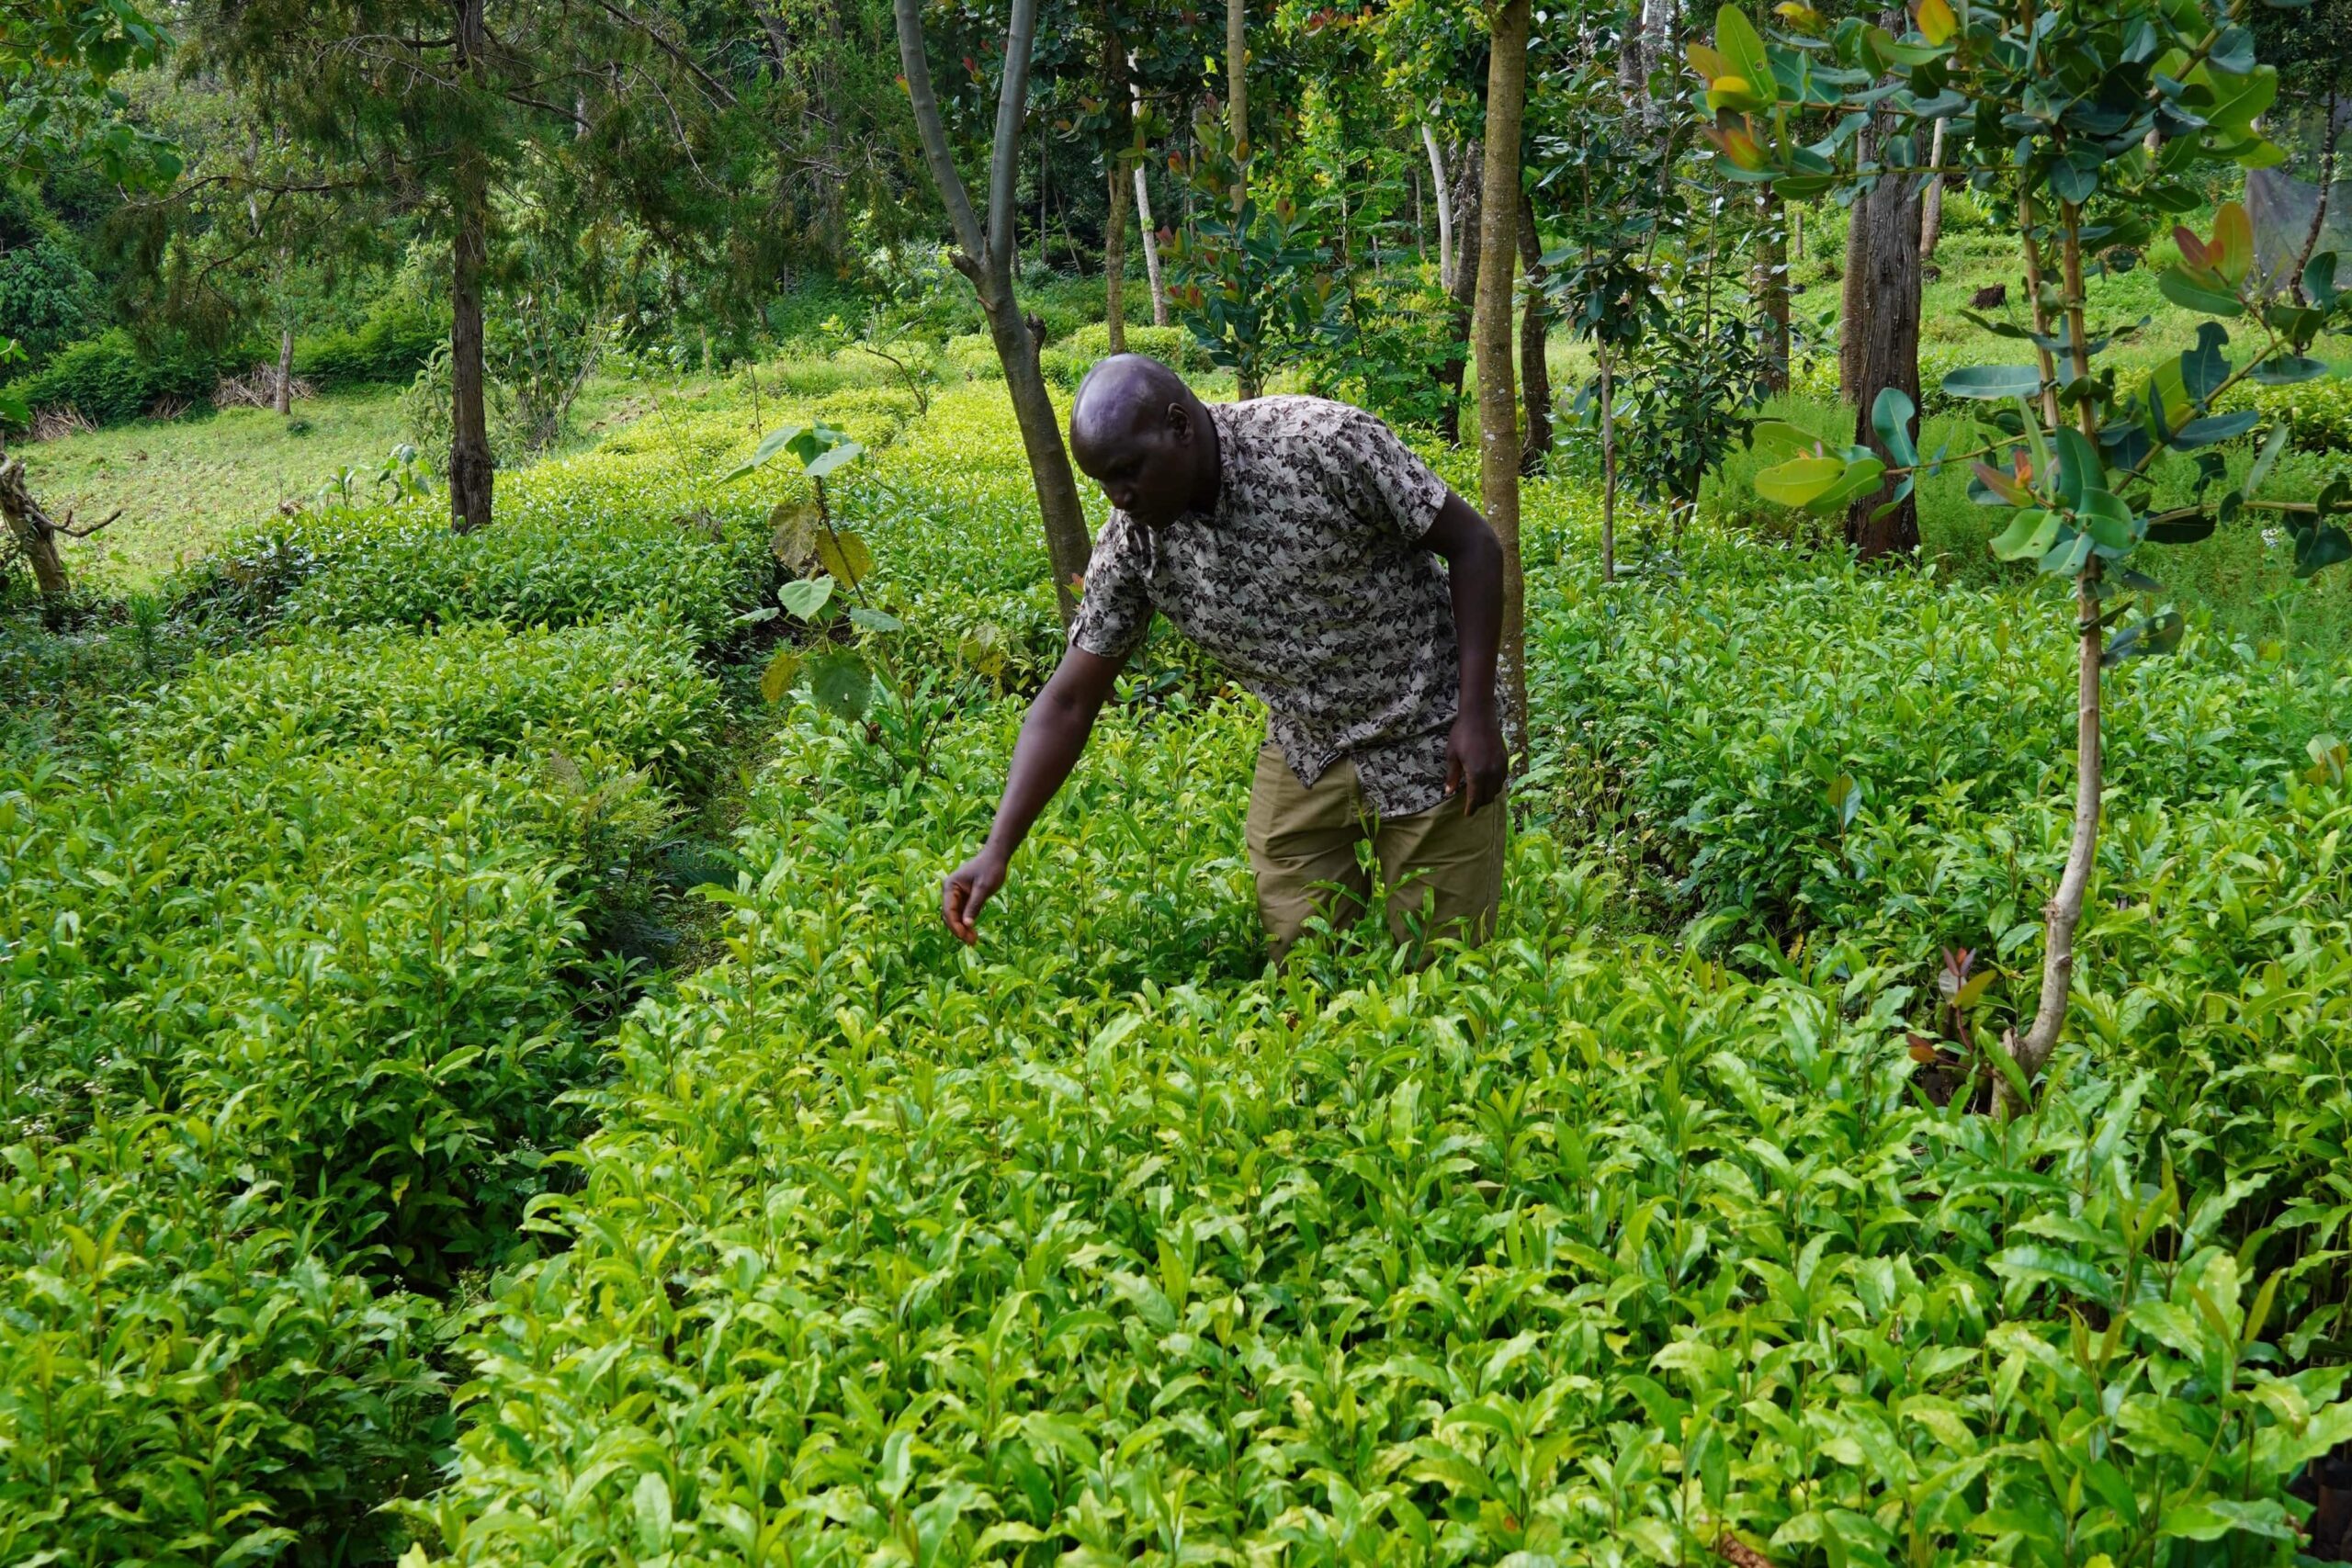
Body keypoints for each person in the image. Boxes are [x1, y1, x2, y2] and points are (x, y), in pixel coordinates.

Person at [940, 354, 1509, 962]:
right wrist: (997, 847)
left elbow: (1473, 543)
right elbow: (1070, 699)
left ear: (1181, 427)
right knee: (1302, 960)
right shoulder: (1136, 541)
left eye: (1129, 470)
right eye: (1104, 480)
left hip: (1427, 729)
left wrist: (1474, 714)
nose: (1120, 495)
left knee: (1446, 965)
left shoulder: (1322, 444)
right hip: (1307, 744)